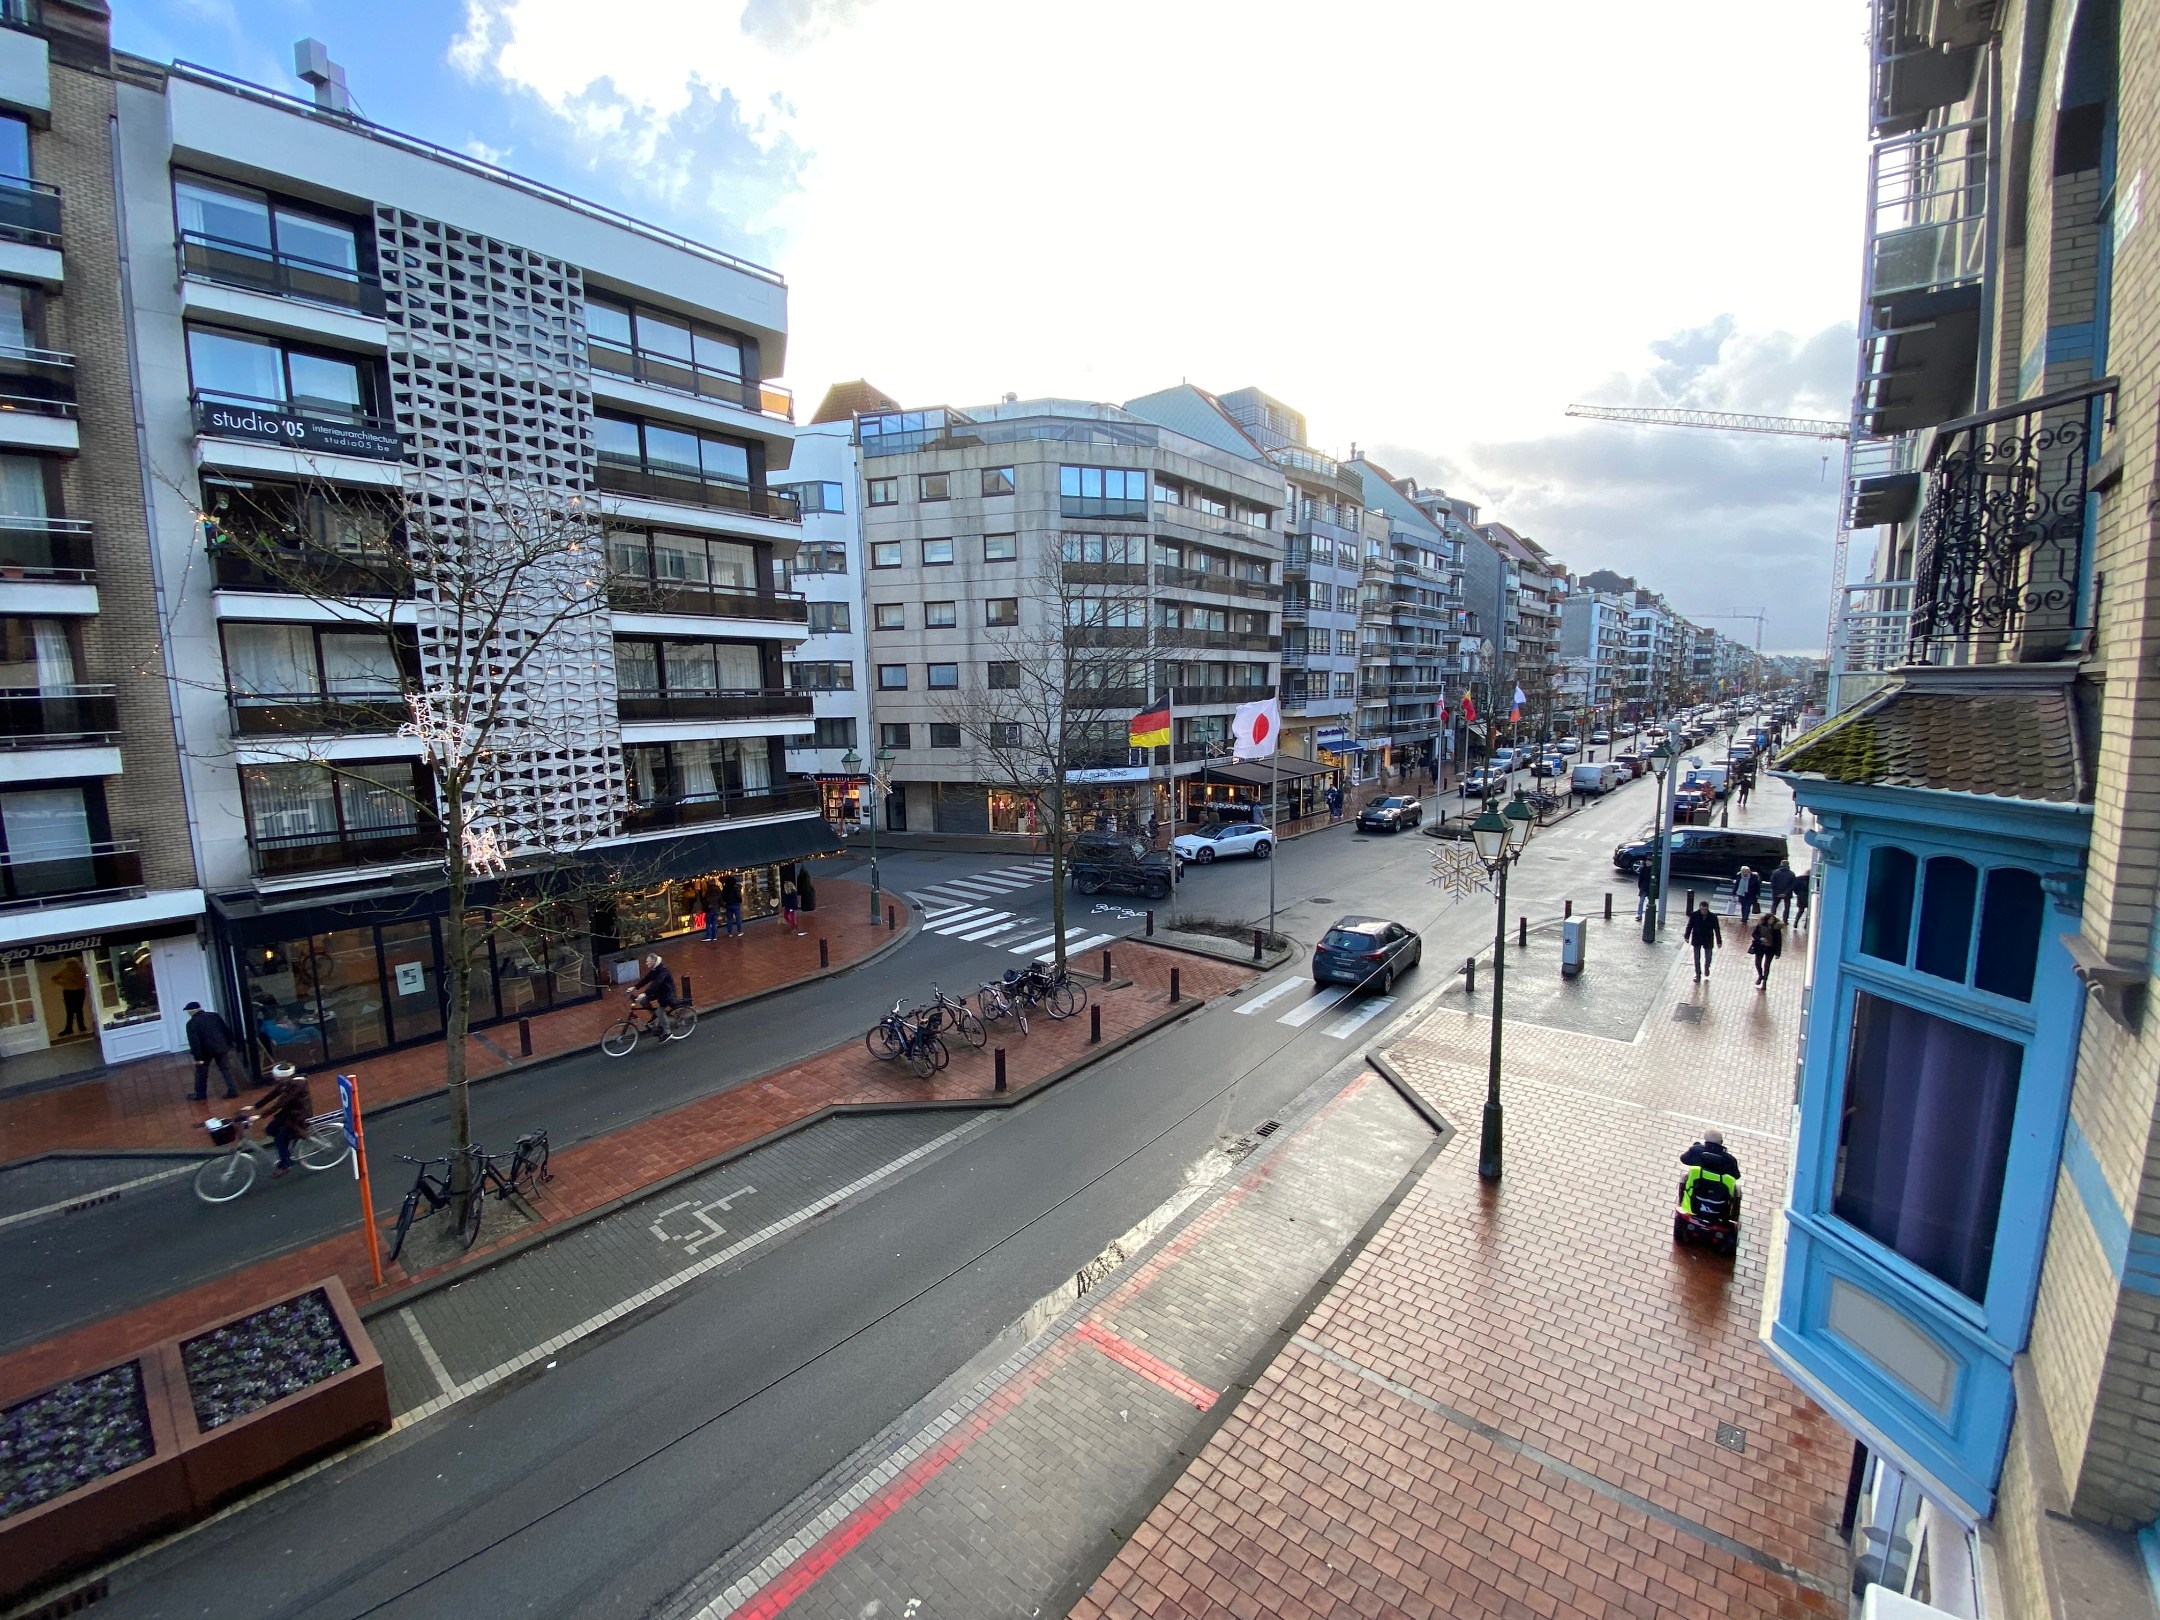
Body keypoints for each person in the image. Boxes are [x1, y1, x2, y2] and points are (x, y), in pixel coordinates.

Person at [253, 1061, 312, 1176]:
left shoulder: (296, 1084)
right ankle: (289, 1143)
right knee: (270, 1129)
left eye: (276, 1076)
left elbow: (281, 1103)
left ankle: (286, 1165)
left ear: (282, 1076)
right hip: (290, 1112)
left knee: (279, 1140)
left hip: (297, 1115)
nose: (274, 1077)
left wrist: (261, 1116)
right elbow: (273, 1094)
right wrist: (256, 1106)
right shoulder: (287, 1081)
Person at [184, 1000, 243, 1102]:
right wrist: (229, 1044)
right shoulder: (214, 1016)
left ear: (191, 1011)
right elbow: (225, 1030)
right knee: (225, 1069)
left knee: (201, 1073)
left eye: (188, 1011)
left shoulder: (191, 1023)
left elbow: (195, 1042)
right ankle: (232, 1090)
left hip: (205, 1052)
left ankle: (200, 1094)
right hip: (221, 1047)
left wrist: (198, 1057)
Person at [1679, 1131, 1742, 1217]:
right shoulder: (1730, 1159)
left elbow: (1683, 1159)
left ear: (1705, 1140)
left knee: (1686, 1178)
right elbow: (1736, 1176)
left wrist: (1695, 1147)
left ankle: (1681, 1203)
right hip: (1719, 1205)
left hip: (1693, 1204)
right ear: (1721, 1142)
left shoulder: (1696, 1150)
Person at [629, 952, 677, 1033]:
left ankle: (667, 1032)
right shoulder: (654, 969)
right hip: (659, 992)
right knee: (643, 1000)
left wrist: (645, 993)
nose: (646, 963)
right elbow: (646, 979)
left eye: (648, 961)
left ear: (654, 961)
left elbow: (656, 984)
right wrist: (634, 987)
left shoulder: (663, 970)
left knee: (660, 1011)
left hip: (667, 994)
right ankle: (655, 1017)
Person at [1683, 900, 1723, 981]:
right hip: (1697, 938)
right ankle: (1698, 975)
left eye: (1705, 910)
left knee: (1708, 957)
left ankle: (1706, 967)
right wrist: (1686, 936)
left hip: (1708, 939)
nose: (1703, 911)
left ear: (1707, 909)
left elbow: (1717, 929)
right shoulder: (1694, 915)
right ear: (1699, 908)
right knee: (1696, 958)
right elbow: (1689, 926)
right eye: (1702, 910)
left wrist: (1719, 941)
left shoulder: (1713, 917)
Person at [52, 954, 88, 1036]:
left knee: (79, 1009)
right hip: (68, 991)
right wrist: (62, 983)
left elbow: (83, 980)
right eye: (69, 963)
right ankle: (69, 1028)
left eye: (73, 963)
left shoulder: (80, 970)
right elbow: (54, 978)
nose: (71, 965)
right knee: (70, 1011)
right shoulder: (64, 971)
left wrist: (77, 980)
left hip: (79, 990)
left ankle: (81, 1026)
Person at [1750, 913, 1785, 989]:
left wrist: (1778, 953)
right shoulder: (1760, 925)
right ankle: (1760, 976)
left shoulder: (1776, 928)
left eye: (1773, 919)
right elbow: (1754, 934)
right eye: (1770, 919)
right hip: (1760, 947)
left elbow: (1779, 941)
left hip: (1771, 949)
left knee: (1767, 965)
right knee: (1757, 963)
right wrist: (1760, 939)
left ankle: (1765, 981)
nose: (1771, 921)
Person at [719, 872, 744, 938]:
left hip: (728, 905)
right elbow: (738, 897)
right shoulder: (734, 889)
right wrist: (740, 901)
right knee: (738, 918)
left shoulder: (725, 889)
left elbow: (723, 897)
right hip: (736, 905)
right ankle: (739, 931)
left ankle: (730, 932)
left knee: (729, 919)